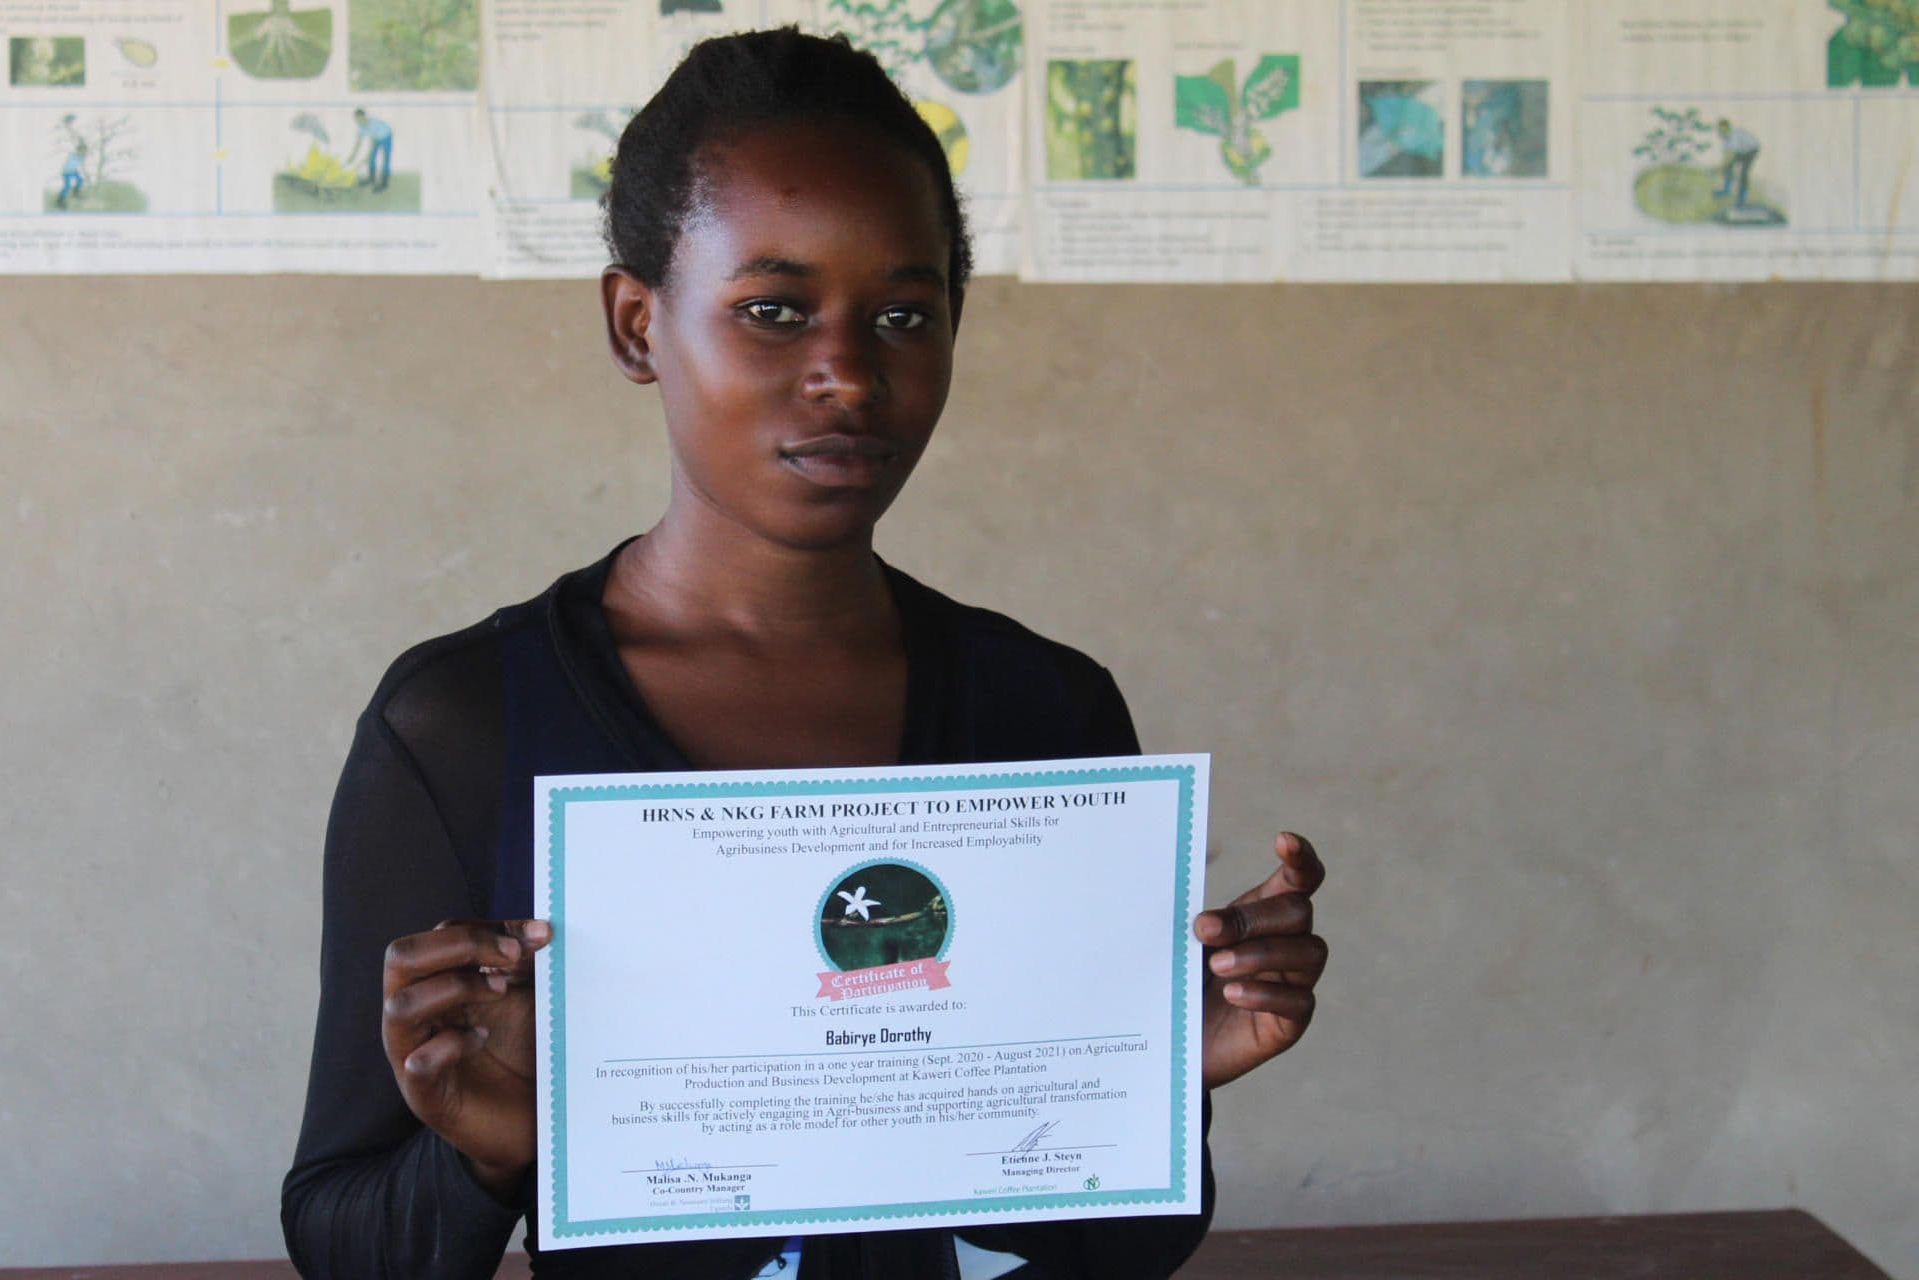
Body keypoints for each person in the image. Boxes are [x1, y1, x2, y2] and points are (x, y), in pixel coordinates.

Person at [282, 28, 1326, 1280]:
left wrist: (1162, 1075)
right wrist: (489, 1150)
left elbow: (1125, 1242)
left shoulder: (1045, 705)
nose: (845, 371)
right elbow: (345, 1241)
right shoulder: (463, 726)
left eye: (903, 313)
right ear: (635, 325)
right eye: (772, 311)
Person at [1714, 118, 1760, 209]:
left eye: (1722, 129)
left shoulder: (1734, 135)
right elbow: (1726, 155)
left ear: (1727, 127)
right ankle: (1726, 190)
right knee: (1728, 167)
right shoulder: (1724, 137)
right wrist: (1722, 167)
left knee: (1743, 173)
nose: (1720, 132)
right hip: (1740, 150)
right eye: (1719, 130)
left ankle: (1742, 199)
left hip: (1751, 150)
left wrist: (1719, 168)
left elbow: (1731, 155)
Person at [346, 107, 393, 192]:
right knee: (371, 159)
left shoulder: (373, 124)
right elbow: (358, 143)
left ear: (365, 117)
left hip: (386, 136)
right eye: (357, 120)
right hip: (376, 138)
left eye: (360, 119)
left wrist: (366, 158)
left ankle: (384, 184)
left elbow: (373, 143)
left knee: (386, 159)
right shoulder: (360, 127)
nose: (359, 122)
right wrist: (352, 156)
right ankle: (371, 179)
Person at [56, 140, 87, 209]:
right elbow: (70, 163)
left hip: (73, 171)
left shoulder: (81, 157)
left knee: (80, 180)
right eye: (82, 151)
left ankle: (76, 192)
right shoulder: (73, 155)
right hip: (66, 172)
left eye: (84, 152)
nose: (83, 153)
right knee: (67, 187)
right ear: (78, 150)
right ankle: (60, 200)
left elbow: (76, 165)